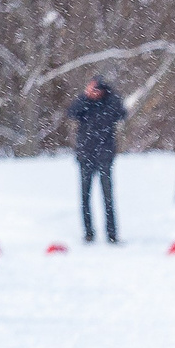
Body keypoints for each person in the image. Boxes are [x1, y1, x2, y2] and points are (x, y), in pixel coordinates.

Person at [66, 76, 127, 244]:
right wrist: (86, 97)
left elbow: (121, 113)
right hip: (86, 155)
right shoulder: (85, 104)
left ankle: (112, 234)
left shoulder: (110, 102)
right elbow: (71, 112)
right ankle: (88, 233)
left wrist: (108, 94)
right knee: (85, 196)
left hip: (104, 155)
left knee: (108, 197)